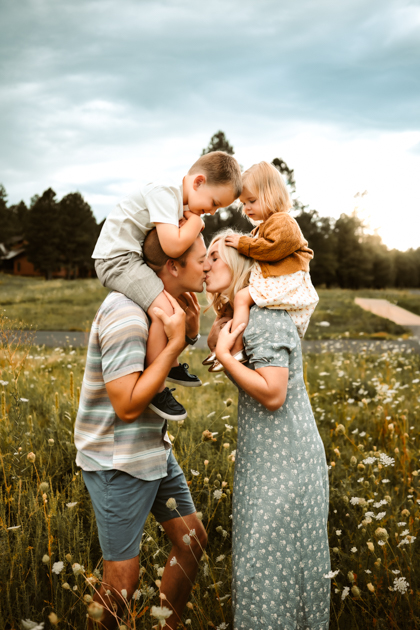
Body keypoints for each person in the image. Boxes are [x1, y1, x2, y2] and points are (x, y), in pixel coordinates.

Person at [74, 232, 209, 630]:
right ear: (172, 266)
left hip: (151, 450)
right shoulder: (126, 314)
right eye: (201, 259)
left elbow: (155, 374)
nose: (207, 266)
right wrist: (177, 341)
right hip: (118, 460)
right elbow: (128, 404)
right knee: (121, 582)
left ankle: (170, 625)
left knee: (191, 541)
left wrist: (186, 337)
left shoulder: (157, 307)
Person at [205, 231, 331, 630]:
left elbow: (274, 394)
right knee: (262, 568)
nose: (205, 265)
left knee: (270, 569)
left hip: (287, 464)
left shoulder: (266, 318)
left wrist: (225, 356)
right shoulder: (244, 319)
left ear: (240, 265)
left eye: (214, 257)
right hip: (266, 460)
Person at [92, 151, 242, 417]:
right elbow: (172, 246)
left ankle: (169, 362)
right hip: (117, 259)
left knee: (171, 308)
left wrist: (192, 218)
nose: (211, 211)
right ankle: (158, 388)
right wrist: (196, 221)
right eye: (213, 202)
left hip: (128, 257)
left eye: (217, 208)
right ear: (197, 182)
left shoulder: (174, 203)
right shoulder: (165, 193)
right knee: (165, 311)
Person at [207, 161, 319, 372]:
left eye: (252, 201)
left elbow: (272, 249)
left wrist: (242, 244)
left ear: (271, 194)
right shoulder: (263, 227)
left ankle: (236, 348)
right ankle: (221, 345)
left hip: (285, 279)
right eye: (243, 203)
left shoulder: (284, 222)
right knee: (235, 299)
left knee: (241, 297)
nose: (246, 208)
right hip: (273, 278)